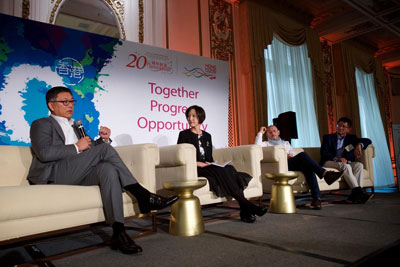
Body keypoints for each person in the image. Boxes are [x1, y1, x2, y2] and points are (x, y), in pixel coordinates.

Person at [27, 86, 178, 254]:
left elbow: (91, 151)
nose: (70, 105)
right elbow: (45, 153)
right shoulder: (41, 124)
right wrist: (76, 147)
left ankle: (119, 232)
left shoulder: (77, 126)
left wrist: (103, 140)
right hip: (54, 174)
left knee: (107, 169)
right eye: (64, 102)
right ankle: (143, 195)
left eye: (71, 101)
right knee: (104, 153)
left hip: (77, 173)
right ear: (51, 105)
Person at [177, 105, 267, 223]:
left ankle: (245, 209)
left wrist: (211, 163)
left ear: (200, 117)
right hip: (196, 168)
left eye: (193, 116)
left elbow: (209, 157)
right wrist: (199, 164)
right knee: (227, 172)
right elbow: (181, 156)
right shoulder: (184, 135)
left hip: (208, 166)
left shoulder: (207, 136)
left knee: (229, 168)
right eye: (188, 116)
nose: (190, 119)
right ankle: (247, 207)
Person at [255, 125, 343, 209]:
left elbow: (293, 153)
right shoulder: (266, 144)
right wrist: (260, 133)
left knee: (308, 168)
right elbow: (257, 146)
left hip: (292, 162)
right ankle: (325, 174)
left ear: (278, 132)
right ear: (267, 135)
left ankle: (316, 199)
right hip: (282, 165)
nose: (272, 133)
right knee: (303, 155)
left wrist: (291, 155)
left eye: (274, 131)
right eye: (270, 132)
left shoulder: (285, 143)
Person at [320, 117, 372, 204]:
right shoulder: (328, 138)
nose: (340, 128)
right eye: (339, 125)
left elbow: (368, 140)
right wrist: (337, 159)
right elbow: (324, 153)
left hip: (344, 162)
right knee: (345, 166)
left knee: (359, 165)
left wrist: (359, 144)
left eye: (343, 126)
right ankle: (359, 193)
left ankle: (356, 195)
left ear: (348, 129)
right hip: (329, 162)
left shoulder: (351, 138)